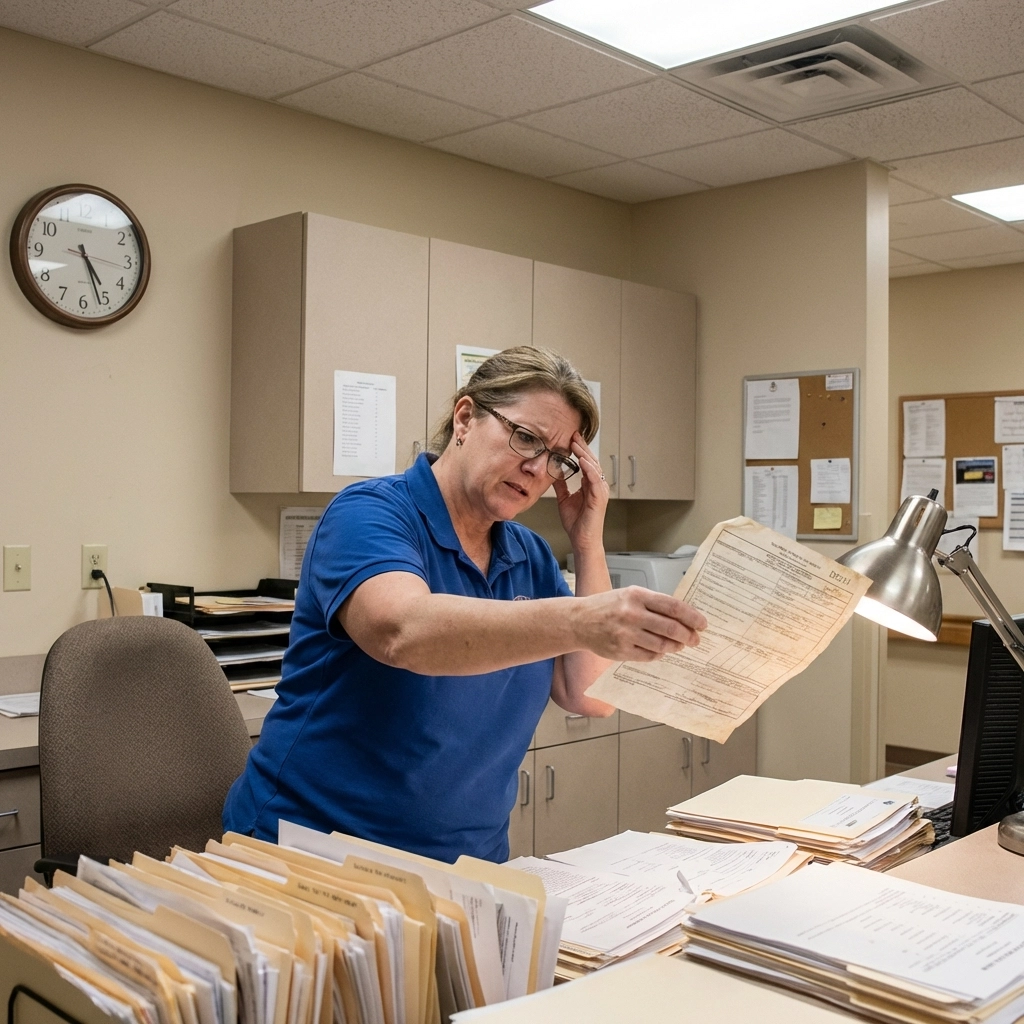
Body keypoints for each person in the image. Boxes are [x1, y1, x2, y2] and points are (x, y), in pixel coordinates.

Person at [223, 346, 706, 863]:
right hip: (316, 849)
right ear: (465, 418)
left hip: (466, 862)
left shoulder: (529, 555)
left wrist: (588, 544)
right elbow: (402, 632)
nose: (537, 468)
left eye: (557, 458)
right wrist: (583, 619)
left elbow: (589, 695)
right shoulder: (369, 514)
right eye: (526, 437)